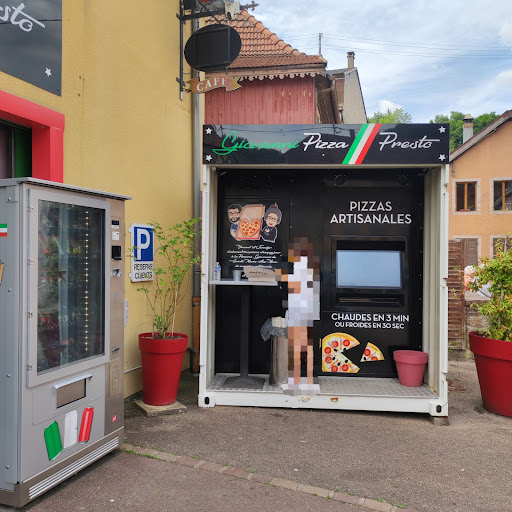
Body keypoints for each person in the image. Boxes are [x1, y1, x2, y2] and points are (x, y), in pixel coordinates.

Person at [275, 237, 320, 394]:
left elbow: (288, 280)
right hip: (307, 312)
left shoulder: (301, 267)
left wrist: (278, 274)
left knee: (295, 348)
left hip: (298, 311)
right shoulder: (311, 266)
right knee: (306, 347)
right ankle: (308, 381)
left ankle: (295, 382)